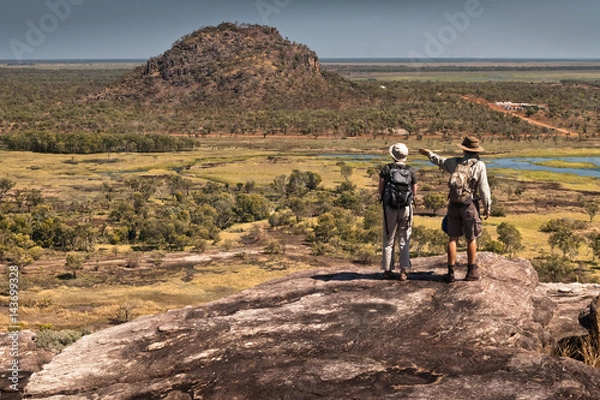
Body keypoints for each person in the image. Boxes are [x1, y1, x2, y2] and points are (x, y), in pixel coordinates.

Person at [419, 136, 491, 282]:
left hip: (453, 204)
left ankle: (450, 273)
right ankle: (471, 272)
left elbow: (439, 160)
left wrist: (428, 154)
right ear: (477, 150)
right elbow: (484, 188)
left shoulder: (454, 162)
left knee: (453, 238)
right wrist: (487, 206)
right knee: (471, 238)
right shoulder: (479, 165)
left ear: (464, 149)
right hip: (469, 204)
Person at [379, 143, 418, 281]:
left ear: (393, 155)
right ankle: (403, 271)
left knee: (388, 239)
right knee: (404, 239)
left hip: (390, 207)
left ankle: (387, 270)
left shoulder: (386, 169)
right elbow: (414, 191)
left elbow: (381, 189)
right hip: (406, 208)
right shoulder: (411, 171)